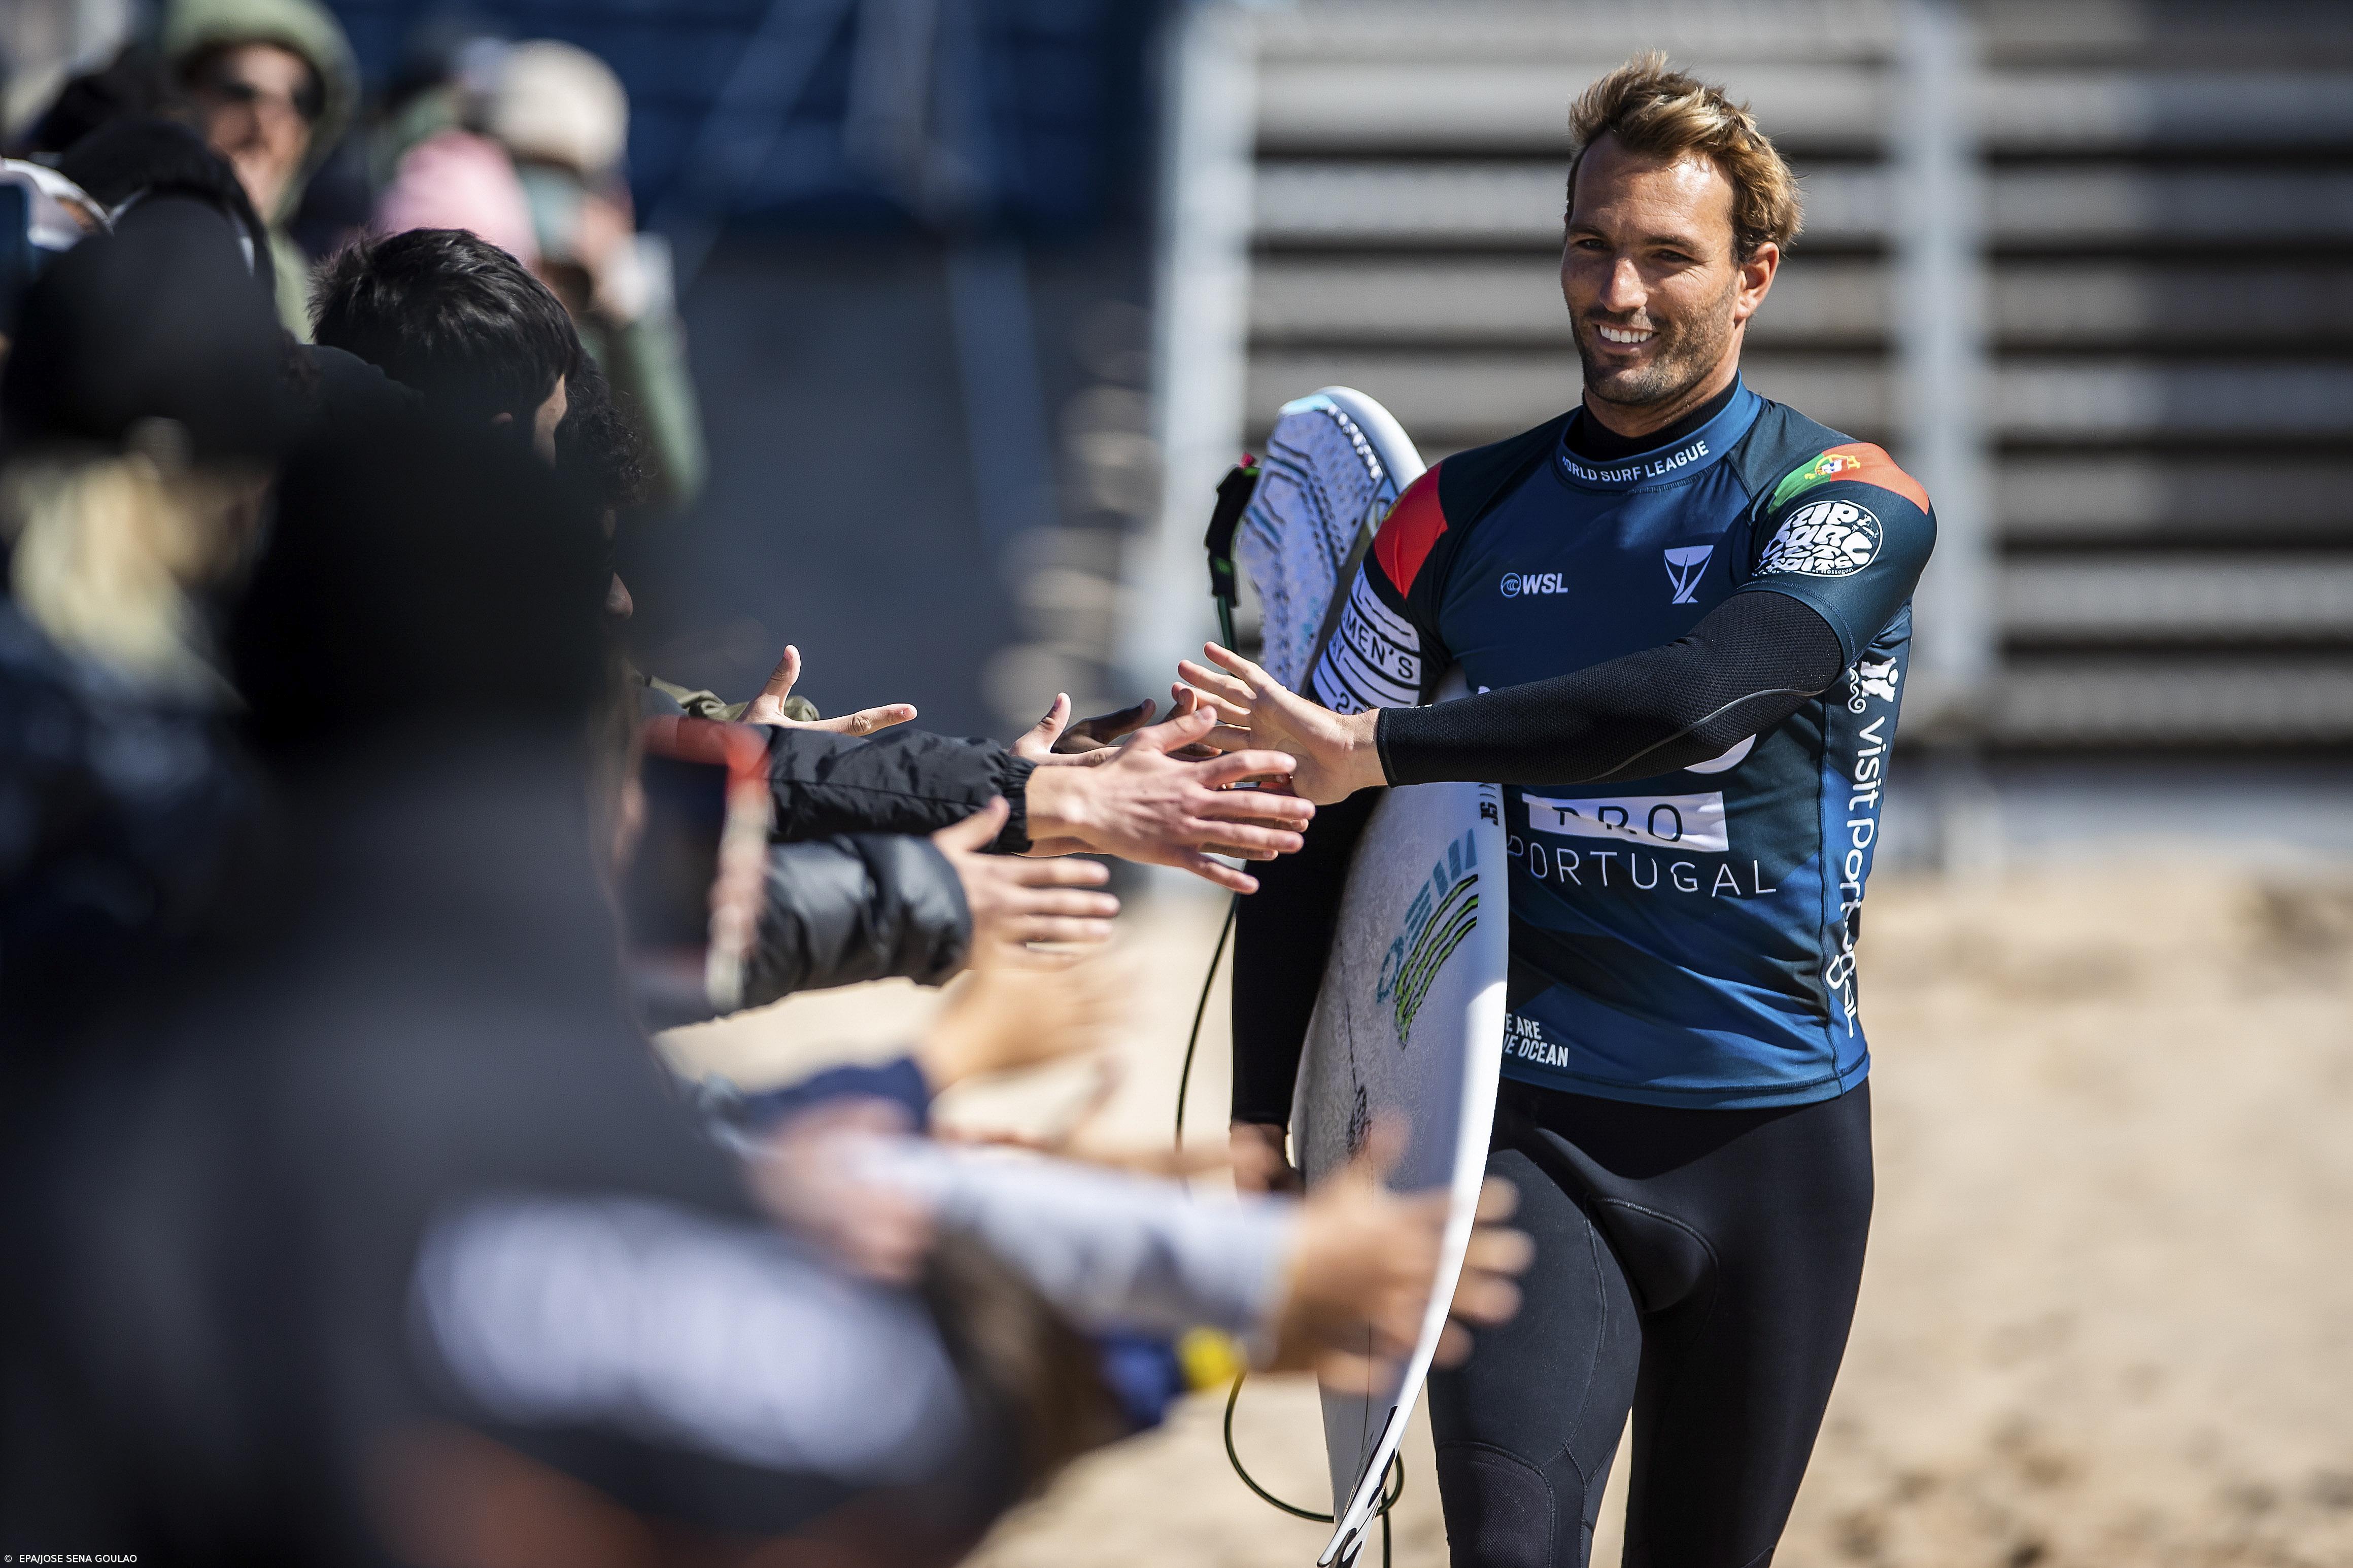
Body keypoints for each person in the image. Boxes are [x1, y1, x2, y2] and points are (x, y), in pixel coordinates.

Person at [1188, 55, 1936, 1568]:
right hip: (1528, 1126)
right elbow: (1317, 818)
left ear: (1753, 278)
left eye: (1668, 254)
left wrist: (1381, 742)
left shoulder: (1846, 500)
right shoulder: (1456, 516)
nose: (1619, 288)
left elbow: (1696, 702)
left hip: (1774, 1136)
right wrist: (1261, 1124)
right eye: (1592, 243)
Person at [161, 0, 359, 339]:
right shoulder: (126, 242)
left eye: (300, 100)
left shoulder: (303, 283)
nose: (266, 124)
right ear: (182, 102)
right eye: (239, 92)